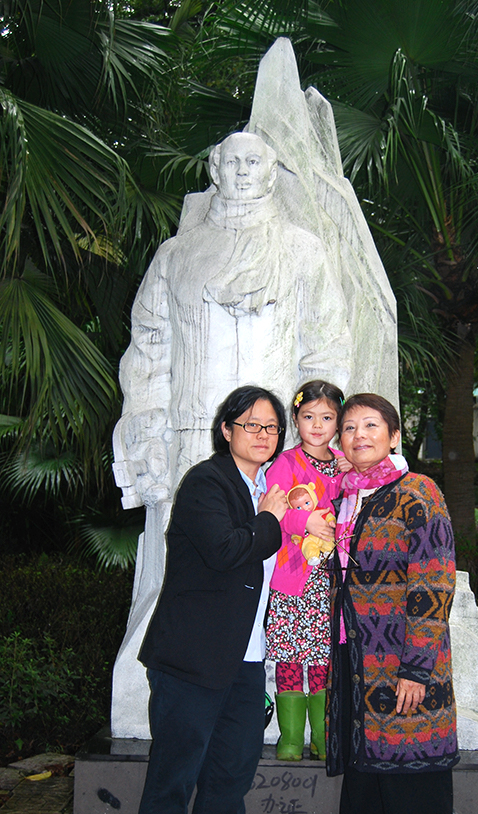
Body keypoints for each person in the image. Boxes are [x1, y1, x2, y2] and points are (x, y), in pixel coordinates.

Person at [110, 129, 351, 739]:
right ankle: (176, 682)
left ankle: (271, 691)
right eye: (232, 159)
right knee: (186, 570)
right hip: (194, 434)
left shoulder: (302, 250)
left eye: (256, 160)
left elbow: (325, 349)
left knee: (280, 567)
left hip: (278, 449)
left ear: (272, 171)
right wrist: (145, 423)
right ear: (214, 167)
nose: (243, 170)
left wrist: (317, 444)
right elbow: (149, 348)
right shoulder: (176, 254)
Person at [130, 386, 288, 814]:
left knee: (228, 786)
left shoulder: (267, 486)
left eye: (271, 428)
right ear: (227, 429)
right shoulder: (207, 481)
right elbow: (225, 549)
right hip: (191, 664)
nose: (263, 435)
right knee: (173, 782)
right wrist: (270, 520)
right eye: (251, 425)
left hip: (246, 666)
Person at [304, 394, 458, 814]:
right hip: (354, 665)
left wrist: (417, 667)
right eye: (348, 427)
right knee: (364, 790)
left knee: (415, 790)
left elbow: (436, 581)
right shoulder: (347, 495)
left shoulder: (419, 492)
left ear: (394, 435)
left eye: (371, 425)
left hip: (405, 668)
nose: (358, 435)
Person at [264, 380, 348, 761]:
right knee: (289, 657)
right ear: (296, 420)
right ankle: (291, 739)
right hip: (293, 580)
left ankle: (322, 736)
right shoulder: (285, 463)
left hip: (332, 583)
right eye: (308, 416)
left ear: (338, 421)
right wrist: (305, 522)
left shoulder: (345, 464)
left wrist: (351, 474)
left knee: (323, 659)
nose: (317, 424)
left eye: (327, 417)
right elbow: (274, 511)